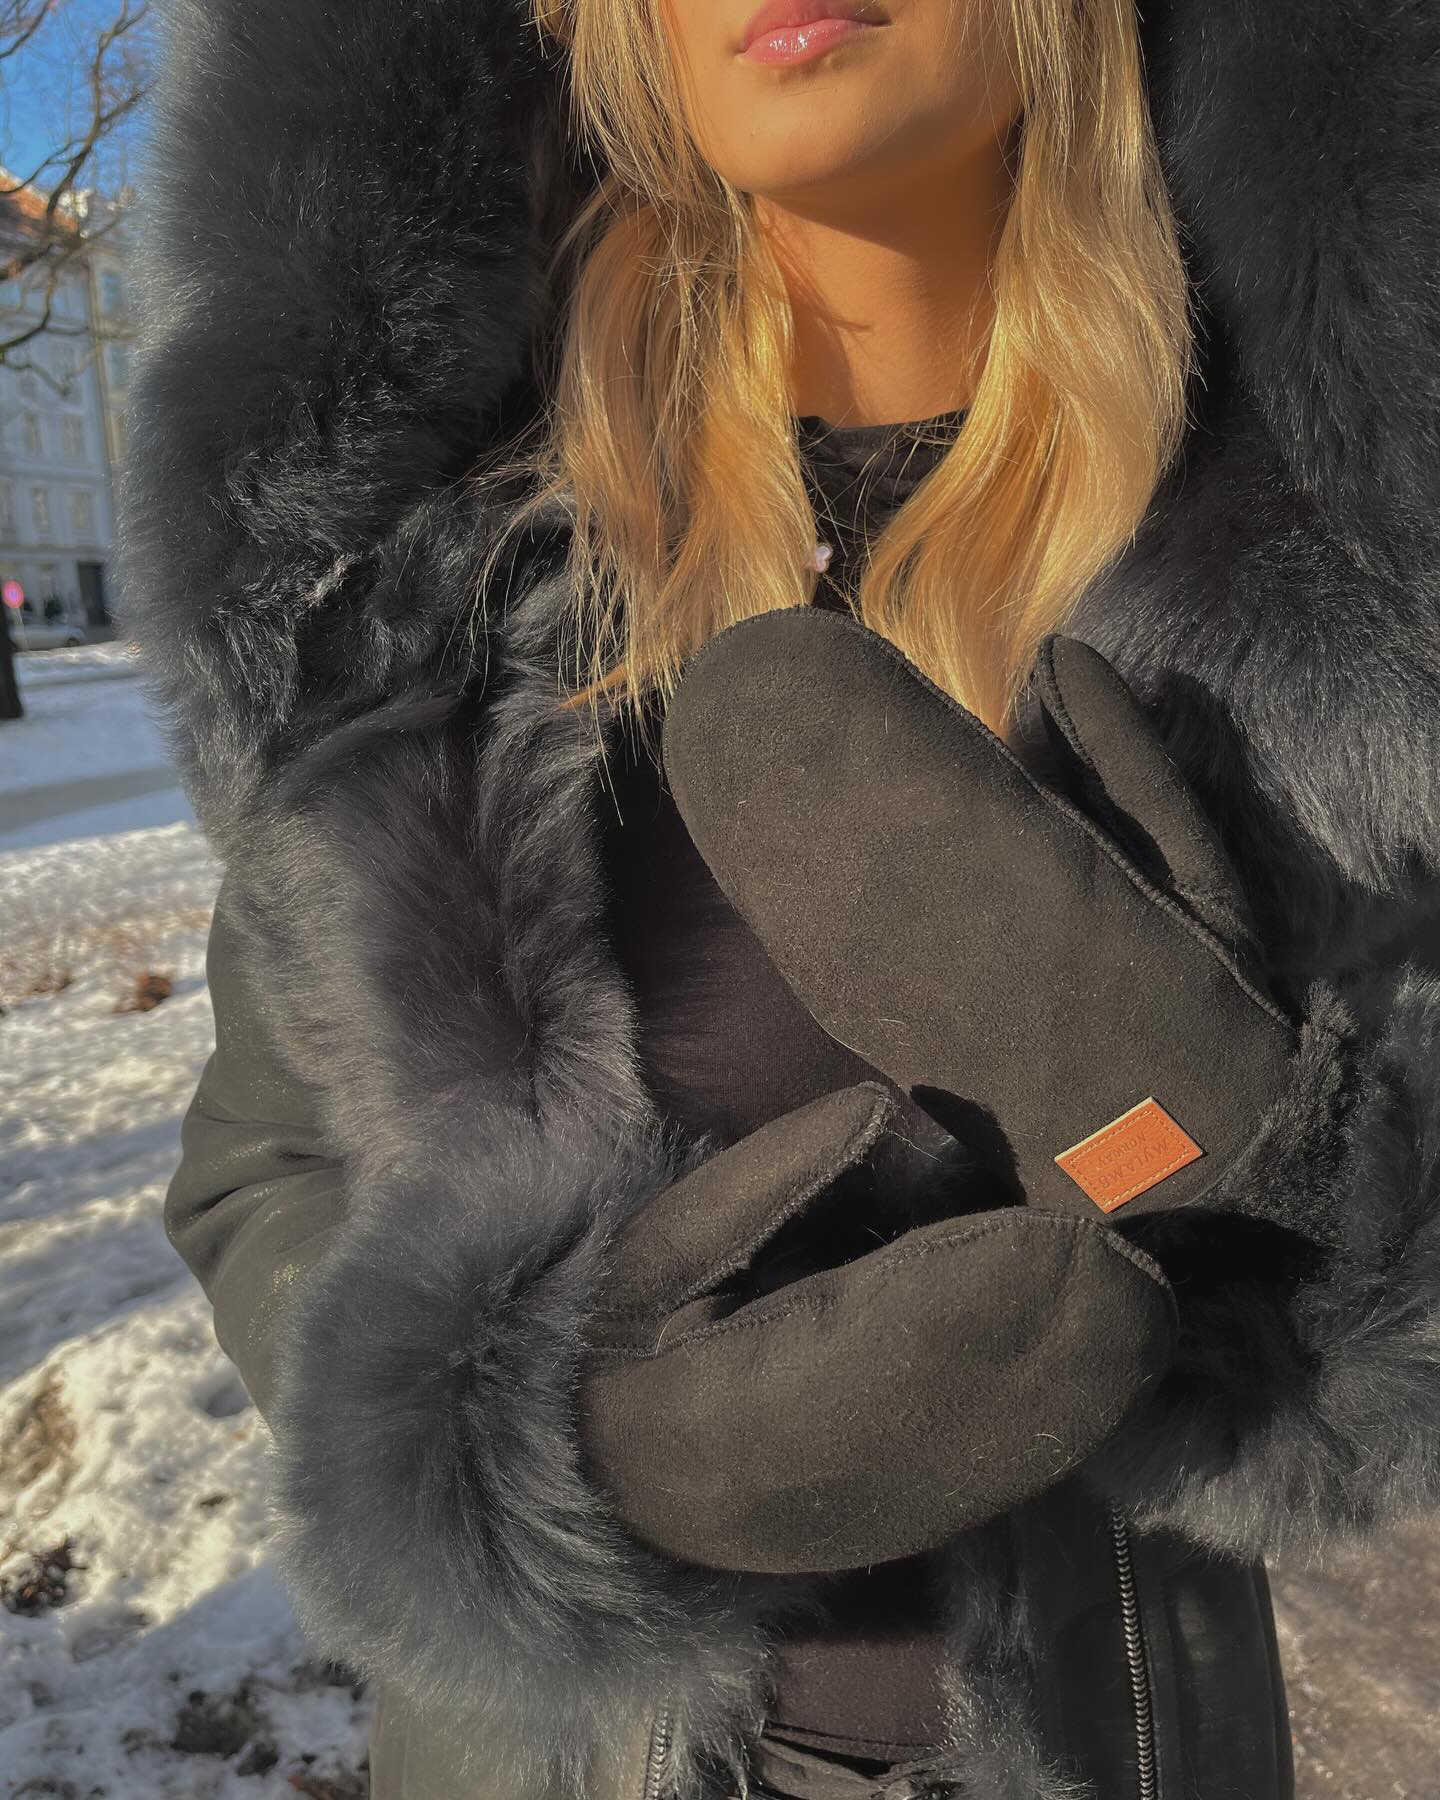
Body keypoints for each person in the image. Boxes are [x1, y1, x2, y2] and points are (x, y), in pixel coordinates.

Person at [119, 2, 1440, 1797]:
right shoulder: (450, 608)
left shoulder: (1308, 589)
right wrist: (549, 1434)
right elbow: (263, 1171)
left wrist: (1296, 1206)